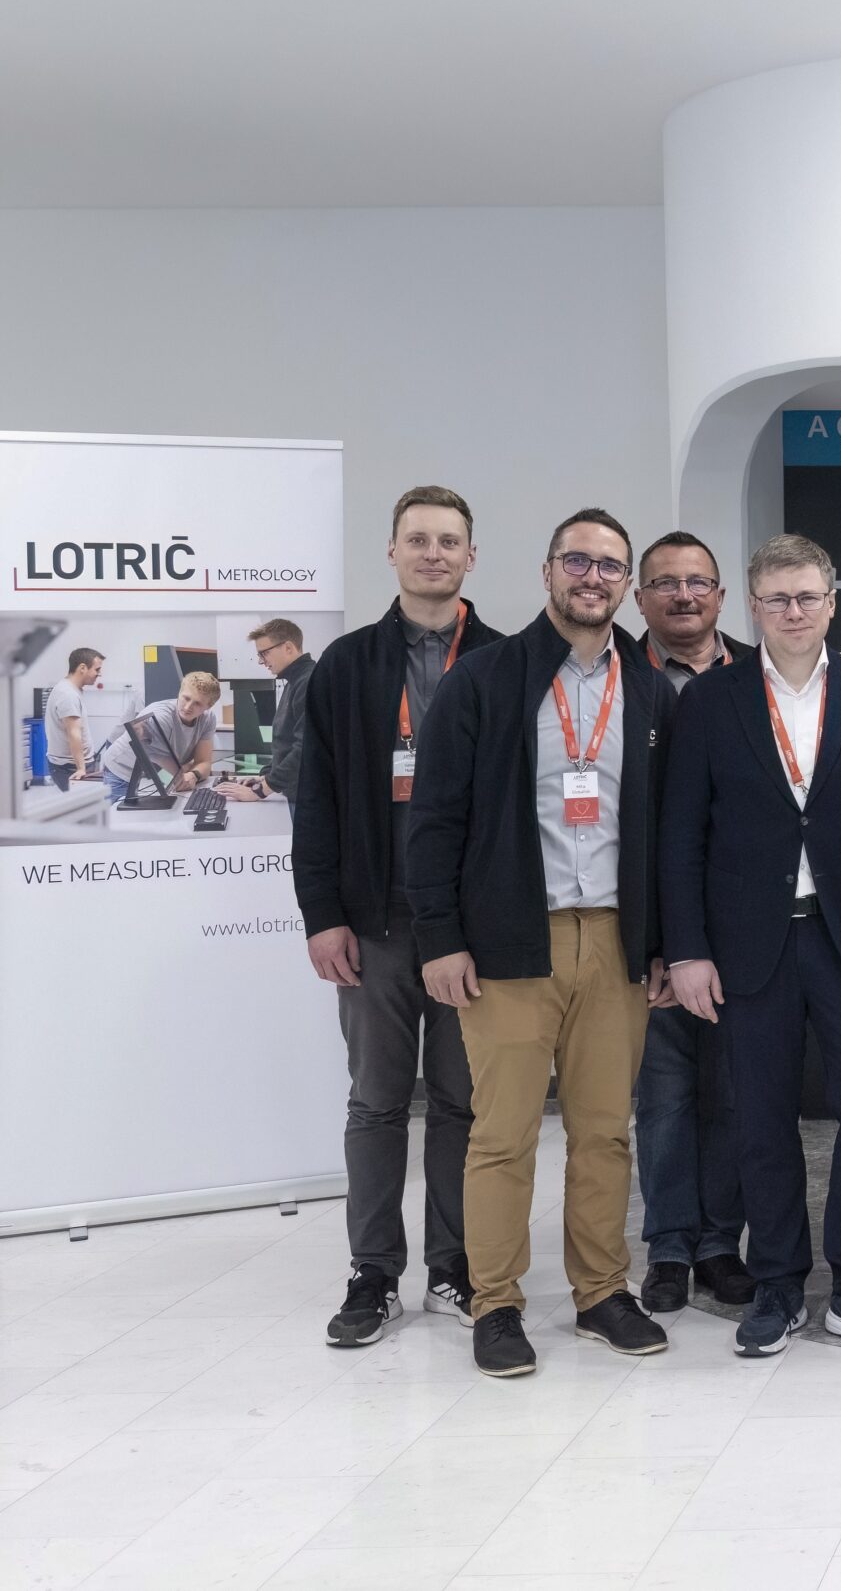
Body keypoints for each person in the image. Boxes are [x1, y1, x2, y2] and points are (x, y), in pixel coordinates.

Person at [408, 507, 679, 1378]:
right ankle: (495, 1302)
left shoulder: (651, 690)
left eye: (609, 566)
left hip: (616, 941)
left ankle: (602, 1291)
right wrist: (440, 938)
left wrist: (664, 942)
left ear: (625, 584)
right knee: (504, 1134)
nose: (593, 578)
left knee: (604, 1133)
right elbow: (434, 819)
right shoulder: (484, 680)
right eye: (578, 561)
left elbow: (668, 831)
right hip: (509, 942)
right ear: (548, 571)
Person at [663, 534, 841, 1358]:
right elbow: (681, 836)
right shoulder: (711, 700)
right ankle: (776, 1282)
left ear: (832, 601)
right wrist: (686, 950)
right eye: (777, 599)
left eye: (808, 596)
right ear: (752, 606)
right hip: (750, 944)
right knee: (761, 1115)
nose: (794, 611)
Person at [293, 485, 501, 1346]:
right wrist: (321, 913)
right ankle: (373, 1272)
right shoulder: (346, 664)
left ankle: (453, 1266)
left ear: (471, 556)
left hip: (472, 928)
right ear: (392, 552)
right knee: (377, 1102)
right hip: (374, 923)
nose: (433, 553)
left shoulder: (503, 659)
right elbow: (315, 797)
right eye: (418, 539)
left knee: (461, 1102)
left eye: (449, 540)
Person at [629, 532, 759, 1316]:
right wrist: (659, 942)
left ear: (721, 594)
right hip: (651, 937)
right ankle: (671, 1245)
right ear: (640, 597)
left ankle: (720, 1242)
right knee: (665, 1096)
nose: (684, 595)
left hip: (746, 929)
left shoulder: (760, 675)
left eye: (698, 582)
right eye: (666, 583)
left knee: (733, 1094)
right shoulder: (615, 677)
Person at [96, 670, 221, 802]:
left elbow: (204, 762)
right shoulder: (161, 717)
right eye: (186, 698)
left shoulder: (208, 719)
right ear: (179, 692)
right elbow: (162, 764)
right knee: (120, 814)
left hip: (152, 776)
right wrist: (182, 777)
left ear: (209, 706)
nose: (188, 707)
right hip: (123, 771)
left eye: (197, 703)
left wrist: (193, 775)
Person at [240, 620, 316, 802]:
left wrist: (262, 790)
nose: (261, 661)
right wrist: (266, 776)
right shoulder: (294, 681)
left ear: (288, 647)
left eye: (264, 653)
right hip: (294, 793)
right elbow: (286, 743)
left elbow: (305, 748)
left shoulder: (308, 682)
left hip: (307, 798)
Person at [43, 647, 102, 789]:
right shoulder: (68, 695)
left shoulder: (71, 689)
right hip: (71, 767)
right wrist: (81, 768)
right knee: (86, 803)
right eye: (97, 669)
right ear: (82, 668)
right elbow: (74, 734)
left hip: (74, 764)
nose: (99, 674)